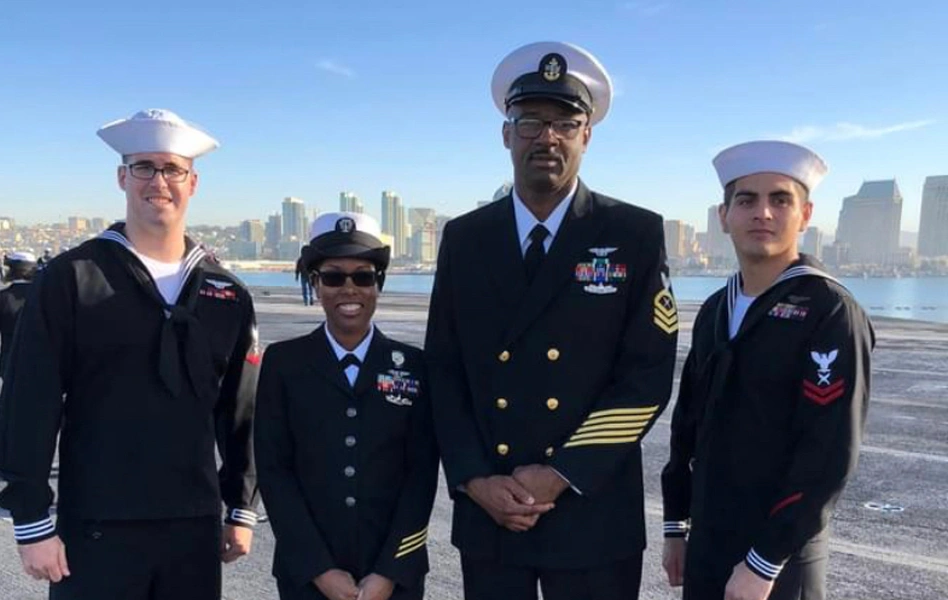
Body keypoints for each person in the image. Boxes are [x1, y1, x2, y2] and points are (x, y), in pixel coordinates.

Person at [424, 41, 678, 600]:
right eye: (531, 121)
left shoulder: (632, 232)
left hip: (591, 507)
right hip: (494, 509)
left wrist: (562, 474)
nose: (548, 137)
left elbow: (647, 376)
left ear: (587, 135)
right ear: (506, 133)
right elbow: (443, 371)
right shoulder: (466, 238)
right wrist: (473, 479)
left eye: (565, 122)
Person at [0, 108, 261, 600]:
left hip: (193, 527)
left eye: (172, 168)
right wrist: (30, 517)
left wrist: (241, 506)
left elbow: (240, 411)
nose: (159, 181)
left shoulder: (227, 293)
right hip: (97, 522)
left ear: (193, 183)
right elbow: (30, 399)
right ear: (122, 177)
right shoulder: (73, 278)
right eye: (144, 167)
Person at [660, 141, 875, 600]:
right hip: (708, 545)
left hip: (778, 560)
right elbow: (688, 424)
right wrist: (676, 525)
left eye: (780, 199)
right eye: (746, 200)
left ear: (806, 214)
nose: (763, 213)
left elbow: (829, 453)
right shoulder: (717, 309)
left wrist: (764, 561)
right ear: (724, 216)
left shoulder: (829, 310)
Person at [256, 212, 439, 600]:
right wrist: (318, 568)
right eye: (334, 277)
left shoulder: (415, 365)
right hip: (308, 575)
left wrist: (389, 570)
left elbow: (421, 474)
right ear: (315, 284)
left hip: (394, 575)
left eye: (364, 276)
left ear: (379, 284)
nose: (349, 289)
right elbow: (275, 471)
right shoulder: (284, 363)